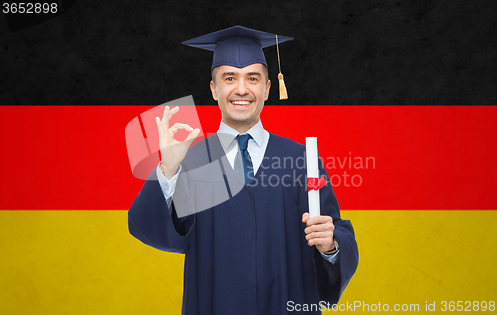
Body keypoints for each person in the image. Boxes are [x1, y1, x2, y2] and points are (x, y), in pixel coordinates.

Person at [128, 25, 358, 315]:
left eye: (252, 78)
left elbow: (333, 231)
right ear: (214, 89)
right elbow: (152, 230)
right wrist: (169, 167)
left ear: (267, 88)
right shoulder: (195, 159)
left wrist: (331, 245)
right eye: (229, 78)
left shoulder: (300, 159)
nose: (241, 89)